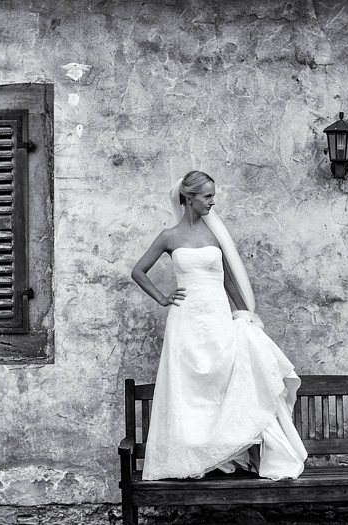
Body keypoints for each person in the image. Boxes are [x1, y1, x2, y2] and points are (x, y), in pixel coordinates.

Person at [131, 170, 307, 481]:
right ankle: (192, 458)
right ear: (189, 198)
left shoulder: (215, 235)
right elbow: (139, 271)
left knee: (227, 378)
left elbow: (227, 278)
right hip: (185, 319)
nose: (213, 202)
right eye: (207, 196)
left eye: (213, 195)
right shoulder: (169, 237)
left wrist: (246, 314)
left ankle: (233, 455)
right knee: (189, 387)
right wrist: (162, 298)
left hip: (216, 317)